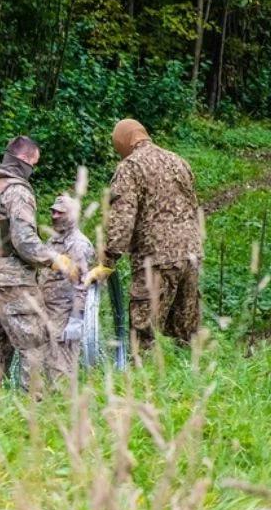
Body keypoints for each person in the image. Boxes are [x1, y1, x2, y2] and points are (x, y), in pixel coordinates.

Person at [0, 136, 79, 393]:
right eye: (35, 163)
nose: (33, 170)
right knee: (34, 345)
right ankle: (34, 413)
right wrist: (56, 260)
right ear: (27, 159)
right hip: (13, 281)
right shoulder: (16, 190)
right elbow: (24, 242)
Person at [85, 119, 203, 350]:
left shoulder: (130, 167)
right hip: (192, 255)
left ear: (123, 142)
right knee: (186, 330)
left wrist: (107, 261)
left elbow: (122, 219)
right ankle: (192, 380)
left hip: (156, 259)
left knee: (143, 333)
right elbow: (193, 206)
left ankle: (143, 379)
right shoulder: (179, 161)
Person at [41, 195, 95, 381]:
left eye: (60, 212)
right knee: (48, 365)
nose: (54, 216)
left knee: (61, 369)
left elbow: (83, 284)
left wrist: (76, 319)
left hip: (65, 313)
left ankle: (64, 405)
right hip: (48, 310)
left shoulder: (78, 244)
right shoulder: (54, 241)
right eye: (53, 211)